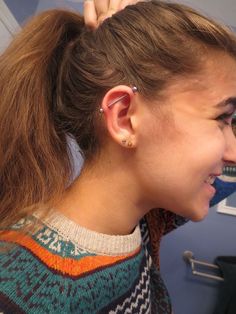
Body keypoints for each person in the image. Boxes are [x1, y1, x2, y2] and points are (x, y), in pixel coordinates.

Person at [1, 1, 236, 313]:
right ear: (124, 117)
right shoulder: (23, 295)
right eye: (222, 118)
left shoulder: (143, 223)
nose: (233, 153)